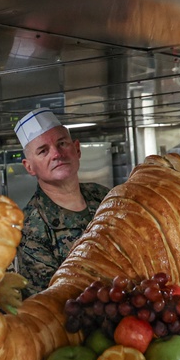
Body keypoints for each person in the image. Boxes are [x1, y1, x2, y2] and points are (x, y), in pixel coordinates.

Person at [14, 109, 110, 296]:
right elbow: (54, 299)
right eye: (43, 151)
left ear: (77, 149)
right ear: (29, 167)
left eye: (62, 143)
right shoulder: (30, 228)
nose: (57, 154)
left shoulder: (105, 197)